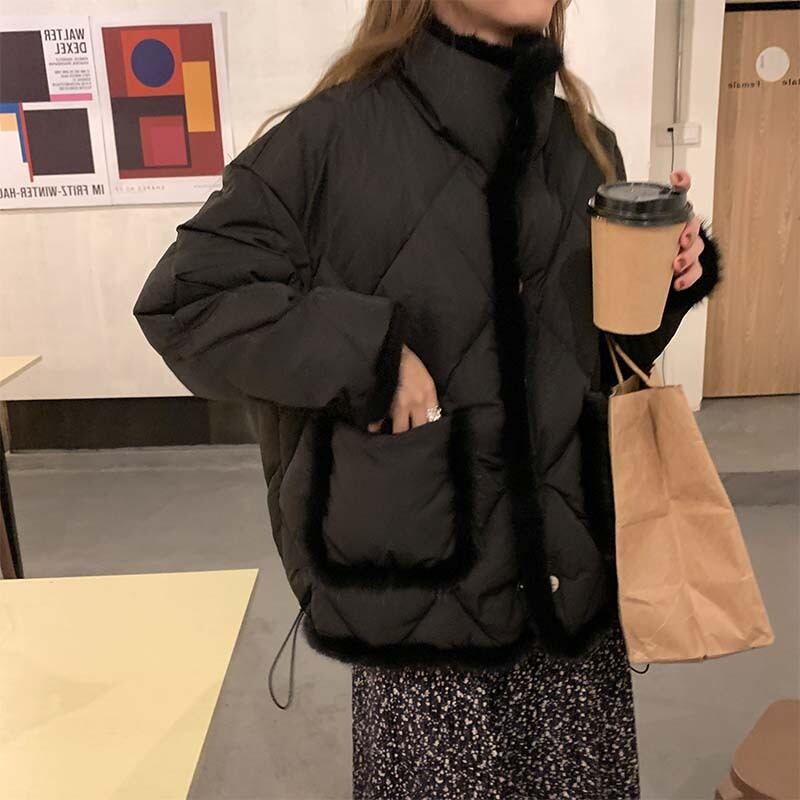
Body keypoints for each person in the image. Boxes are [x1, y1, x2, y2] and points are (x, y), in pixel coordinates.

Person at [134, 0, 720, 796]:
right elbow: (189, 300)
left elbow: (594, 360)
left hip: (571, 598)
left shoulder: (583, 142)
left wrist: (667, 283)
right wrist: (369, 356)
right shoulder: (330, 137)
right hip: (426, 606)